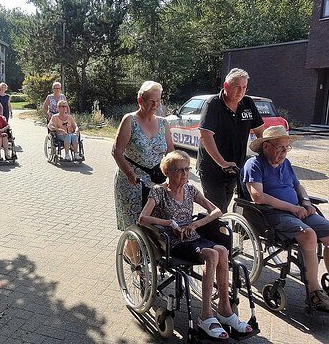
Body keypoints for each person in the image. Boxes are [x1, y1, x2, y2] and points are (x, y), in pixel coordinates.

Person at [139, 150, 252, 340]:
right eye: (179, 170)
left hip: (193, 236)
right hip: (173, 241)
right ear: (167, 171)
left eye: (187, 169)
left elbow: (217, 211)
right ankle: (205, 315)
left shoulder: (190, 189)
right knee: (212, 255)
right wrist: (169, 223)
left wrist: (196, 224)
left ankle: (224, 310)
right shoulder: (158, 192)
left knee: (223, 250)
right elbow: (142, 218)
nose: (184, 174)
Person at [242, 125, 329, 312]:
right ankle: (315, 293)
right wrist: (292, 207)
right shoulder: (254, 165)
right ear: (266, 146)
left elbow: (299, 187)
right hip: (273, 215)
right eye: (280, 147)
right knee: (308, 235)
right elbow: (258, 196)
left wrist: (305, 202)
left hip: (298, 210)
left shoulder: (286, 164)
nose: (284, 152)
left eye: (286, 147)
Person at [197, 68, 265, 213]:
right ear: (226, 86)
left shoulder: (248, 104)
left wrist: (266, 155)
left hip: (235, 167)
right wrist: (222, 163)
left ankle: (218, 230)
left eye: (244, 87)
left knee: (226, 206)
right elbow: (205, 135)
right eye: (237, 87)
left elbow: (261, 132)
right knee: (218, 210)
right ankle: (215, 233)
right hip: (213, 168)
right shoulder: (213, 104)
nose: (241, 92)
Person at [112, 81, 174, 232]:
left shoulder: (163, 123)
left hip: (156, 183)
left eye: (158, 101)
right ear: (140, 100)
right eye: (151, 101)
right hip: (132, 183)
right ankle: (132, 254)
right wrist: (129, 173)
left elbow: (171, 154)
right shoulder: (130, 120)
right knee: (134, 227)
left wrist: (177, 172)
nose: (155, 105)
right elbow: (116, 151)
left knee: (155, 228)